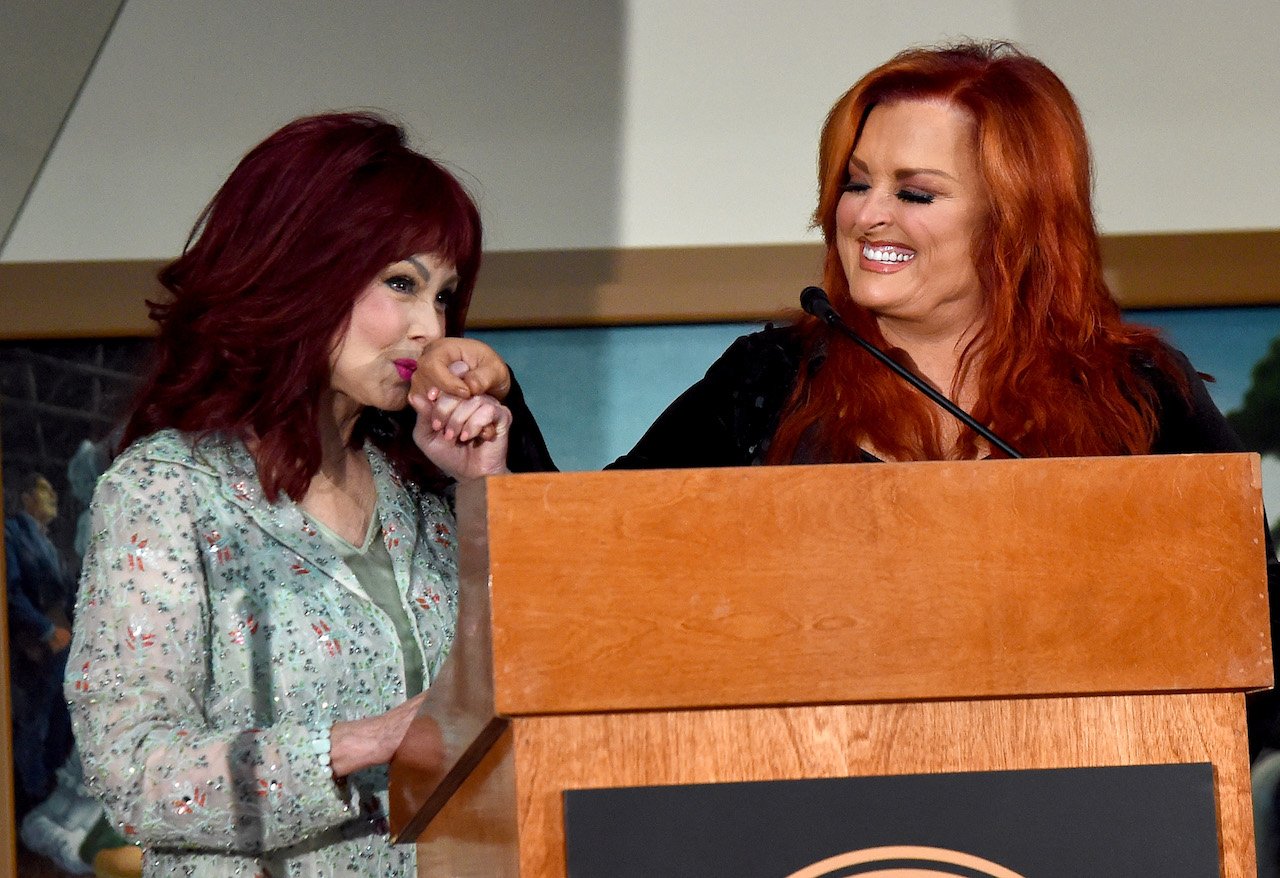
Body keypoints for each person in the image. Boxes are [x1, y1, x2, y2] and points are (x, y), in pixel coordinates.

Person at [415, 40, 1280, 735]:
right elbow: (590, 581)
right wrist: (496, 446)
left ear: (1015, 219)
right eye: (856, 183)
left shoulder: (1133, 391)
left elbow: (1250, 621)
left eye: (917, 192)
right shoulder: (775, 380)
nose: (868, 215)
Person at [65, 112, 543, 877]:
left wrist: (483, 493)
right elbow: (133, 772)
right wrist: (369, 739)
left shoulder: (424, 491)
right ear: (302, 268)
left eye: (444, 296)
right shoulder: (163, 493)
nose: (431, 327)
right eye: (401, 283)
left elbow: (542, 688)